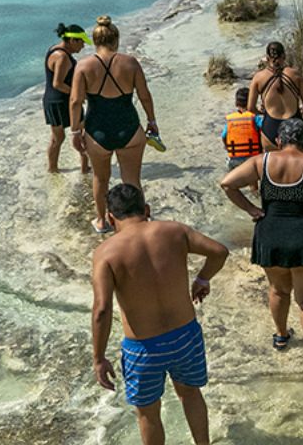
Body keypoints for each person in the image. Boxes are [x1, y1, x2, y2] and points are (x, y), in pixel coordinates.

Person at [91, 184, 229, 445]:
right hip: (185, 335)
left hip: (142, 348)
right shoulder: (174, 231)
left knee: (148, 414)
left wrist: (98, 357)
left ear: (111, 218)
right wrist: (202, 278)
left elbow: (101, 309)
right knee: (190, 394)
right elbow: (219, 251)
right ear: (147, 209)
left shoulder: (106, 253)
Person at [220, 118, 303, 372]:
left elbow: (227, 183)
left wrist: (252, 209)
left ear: (279, 141)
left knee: (278, 290)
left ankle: (281, 336)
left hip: (270, 233)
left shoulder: (263, 161)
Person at [70, 16, 160, 234]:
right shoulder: (130, 63)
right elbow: (145, 96)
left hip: (97, 131)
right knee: (132, 180)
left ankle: (102, 221)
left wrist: (75, 131)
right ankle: (138, 222)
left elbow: (75, 102)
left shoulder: (83, 66)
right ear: (116, 39)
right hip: (129, 128)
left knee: (100, 179)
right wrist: (151, 121)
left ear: (94, 41)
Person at [44, 23, 92, 174]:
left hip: (51, 101)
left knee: (57, 138)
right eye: (81, 42)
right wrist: (78, 94)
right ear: (72, 40)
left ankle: (52, 169)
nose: (83, 46)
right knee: (83, 133)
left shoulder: (53, 50)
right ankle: (85, 169)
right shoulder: (63, 57)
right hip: (62, 101)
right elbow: (58, 83)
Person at [248, 41, 303, 150]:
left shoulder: (258, 78)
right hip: (295, 123)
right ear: (284, 56)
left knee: (272, 165)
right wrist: (302, 109)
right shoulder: (296, 74)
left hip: (270, 127)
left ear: (267, 58)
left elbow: (250, 108)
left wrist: (261, 112)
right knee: (301, 165)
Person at [221, 87, 263, 170]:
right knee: (253, 178)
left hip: (235, 159)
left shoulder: (231, 120)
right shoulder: (254, 118)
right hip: (253, 157)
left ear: (236, 103)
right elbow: (265, 129)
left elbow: (223, 136)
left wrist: (227, 147)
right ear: (251, 102)